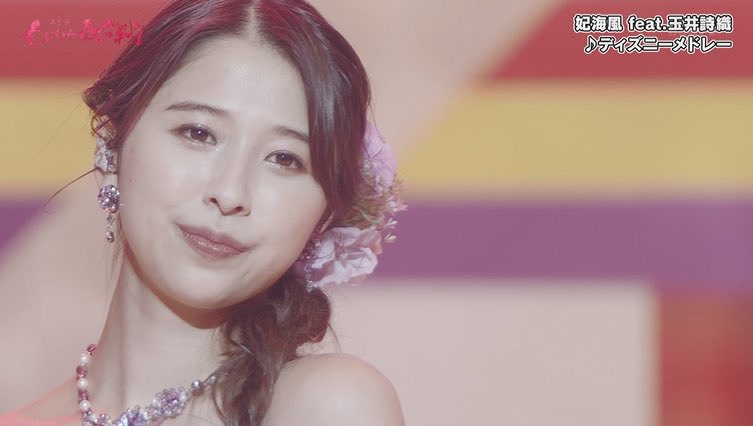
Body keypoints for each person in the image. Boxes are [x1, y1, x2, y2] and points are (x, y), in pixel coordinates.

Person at [0, 0, 405, 424]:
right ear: (111, 150)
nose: (230, 193)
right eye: (198, 133)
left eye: (285, 159)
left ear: (324, 214)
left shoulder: (330, 405)